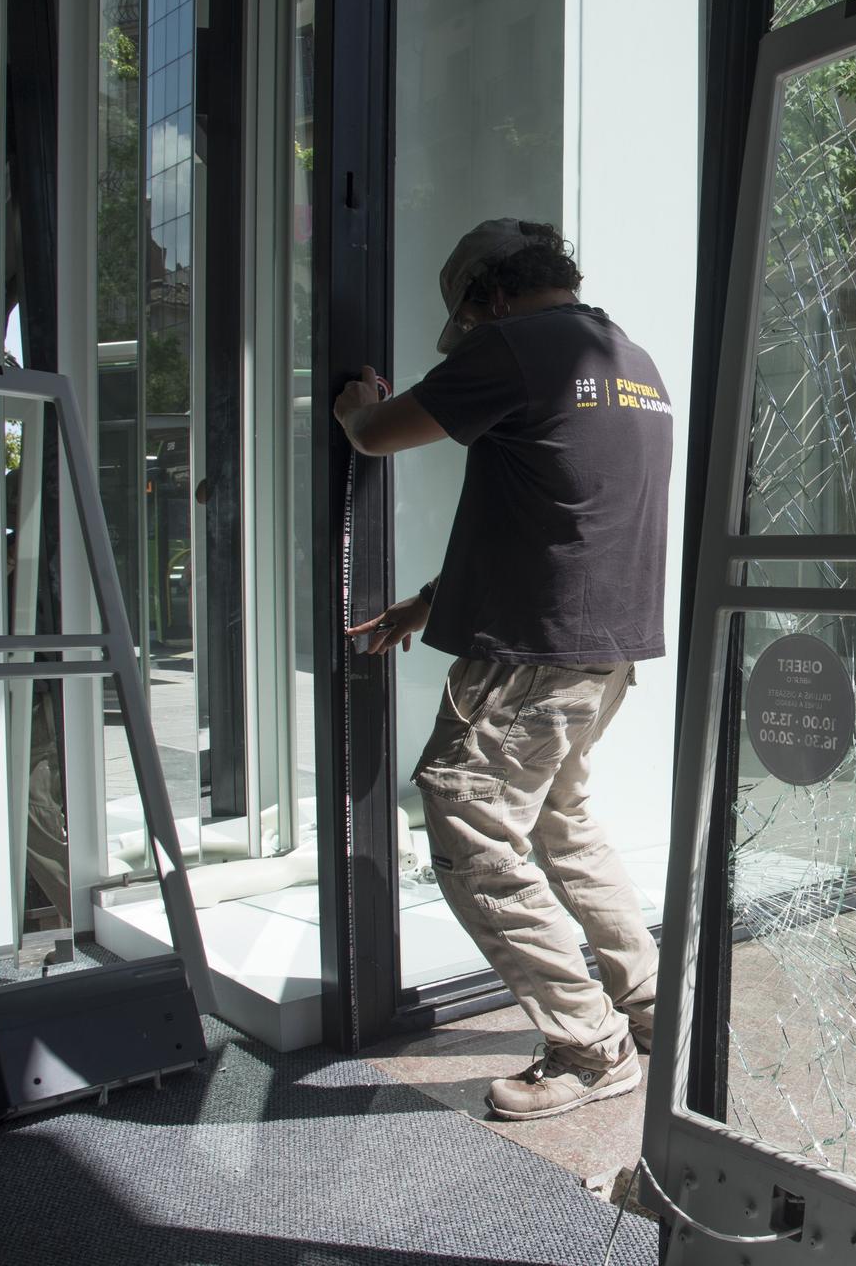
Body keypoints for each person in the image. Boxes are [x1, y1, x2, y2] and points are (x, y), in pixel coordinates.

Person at [333, 218, 672, 1121]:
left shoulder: (516, 346)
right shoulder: (630, 358)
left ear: (488, 295)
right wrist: (430, 601)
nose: (473, 335)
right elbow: (562, 516)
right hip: (604, 646)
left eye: (471, 318)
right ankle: (649, 1003)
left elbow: (374, 434)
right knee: (562, 820)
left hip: (535, 651)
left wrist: (350, 403)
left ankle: (590, 1047)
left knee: (467, 817)